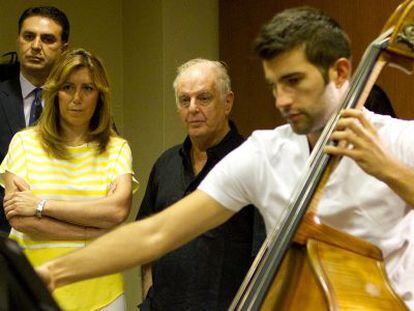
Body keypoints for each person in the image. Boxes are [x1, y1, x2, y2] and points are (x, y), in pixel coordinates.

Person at [37, 6, 414, 309]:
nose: (282, 100)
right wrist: (55, 272)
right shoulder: (265, 153)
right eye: (274, 85)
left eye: (294, 81)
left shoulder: (400, 140)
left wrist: (389, 171)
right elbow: (157, 232)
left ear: (340, 71)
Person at [0, 48, 137, 310]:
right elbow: (19, 218)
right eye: (67, 87)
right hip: (34, 289)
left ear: (100, 96)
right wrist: (92, 230)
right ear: (54, 92)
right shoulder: (24, 143)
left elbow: (117, 210)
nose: (77, 98)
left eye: (88, 88)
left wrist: (41, 206)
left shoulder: (117, 148)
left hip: (101, 291)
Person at [137, 59, 265, 310]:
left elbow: (263, 260)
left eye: (204, 98)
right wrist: (149, 299)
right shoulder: (165, 164)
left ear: (227, 102)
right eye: (185, 100)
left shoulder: (254, 162)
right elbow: (147, 242)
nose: (193, 108)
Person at [0, 6, 69, 234]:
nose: (36, 46)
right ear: (18, 40)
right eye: (28, 36)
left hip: (65, 238)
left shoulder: (83, 103)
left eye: (47, 39)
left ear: (64, 49)